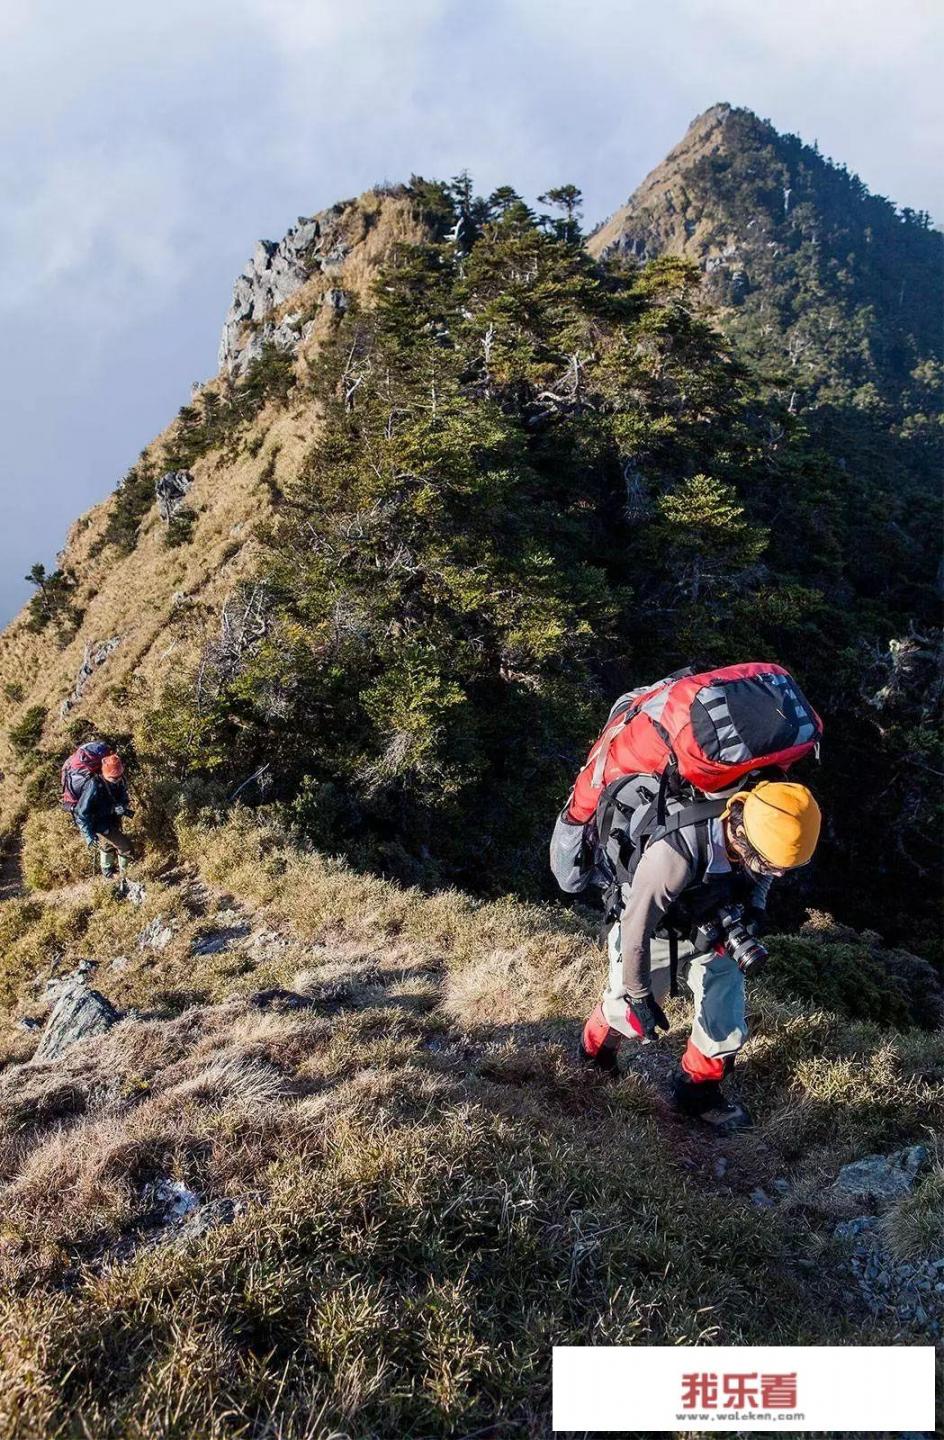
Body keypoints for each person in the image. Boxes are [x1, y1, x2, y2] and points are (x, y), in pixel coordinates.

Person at [578, 780, 822, 1131]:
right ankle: (594, 1059)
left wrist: (754, 909)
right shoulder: (676, 853)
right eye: (771, 863)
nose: (780, 873)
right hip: (655, 929)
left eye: (783, 866)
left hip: (713, 926)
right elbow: (635, 929)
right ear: (739, 832)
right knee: (626, 1011)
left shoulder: (765, 829)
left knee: (725, 1013)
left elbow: (763, 878)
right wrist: (639, 995)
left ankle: (697, 1092)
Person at [73, 752, 136, 894]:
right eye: (114, 777)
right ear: (105, 774)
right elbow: (81, 813)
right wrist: (88, 835)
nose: (117, 779)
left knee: (108, 845)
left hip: (113, 819)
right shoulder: (94, 785)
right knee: (126, 847)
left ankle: (108, 873)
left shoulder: (120, 780)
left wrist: (122, 806)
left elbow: (124, 798)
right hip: (100, 823)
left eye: (119, 776)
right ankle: (125, 877)